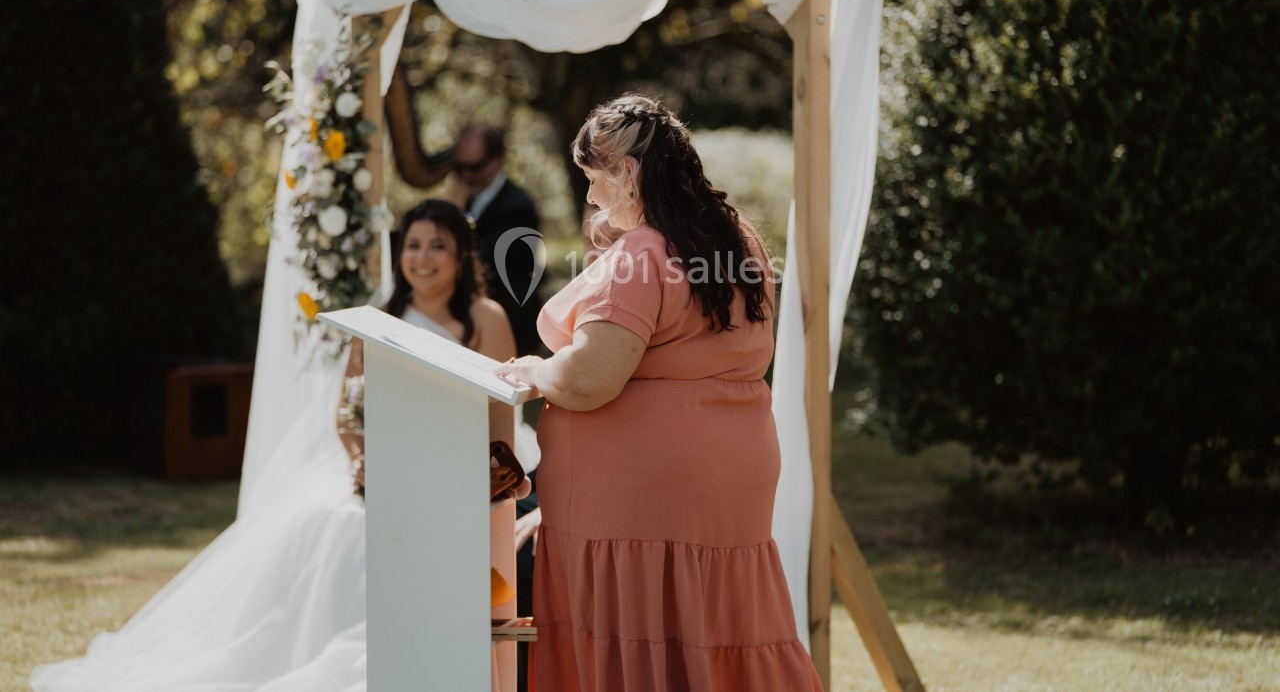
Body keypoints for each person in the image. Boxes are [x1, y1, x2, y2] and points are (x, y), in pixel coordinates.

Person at [30, 199, 537, 692]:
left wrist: (484, 475)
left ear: (459, 257)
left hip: (454, 469)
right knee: (333, 523)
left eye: (437, 247)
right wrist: (360, 457)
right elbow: (350, 409)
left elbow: (500, 412)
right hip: (386, 469)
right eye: (413, 245)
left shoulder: (485, 317)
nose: (421, 259)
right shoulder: (380, 320)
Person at [497, 95, 822, 692]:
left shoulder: (644, 253)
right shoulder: (735, 239)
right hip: (728, 477)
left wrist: (534, 372)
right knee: (713, 624)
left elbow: (591, 378)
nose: (591, 198)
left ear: (625, 172)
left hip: (642, 502)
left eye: (595, 181)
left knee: (641, 632)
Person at [453, 124, 544, 356]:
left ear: (497, 160)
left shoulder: (518, 207)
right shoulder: (466, 197)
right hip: (474, 323)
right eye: (459, 167)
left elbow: (480, 260)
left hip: (512, 325)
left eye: (474, 167)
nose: (465, 175)